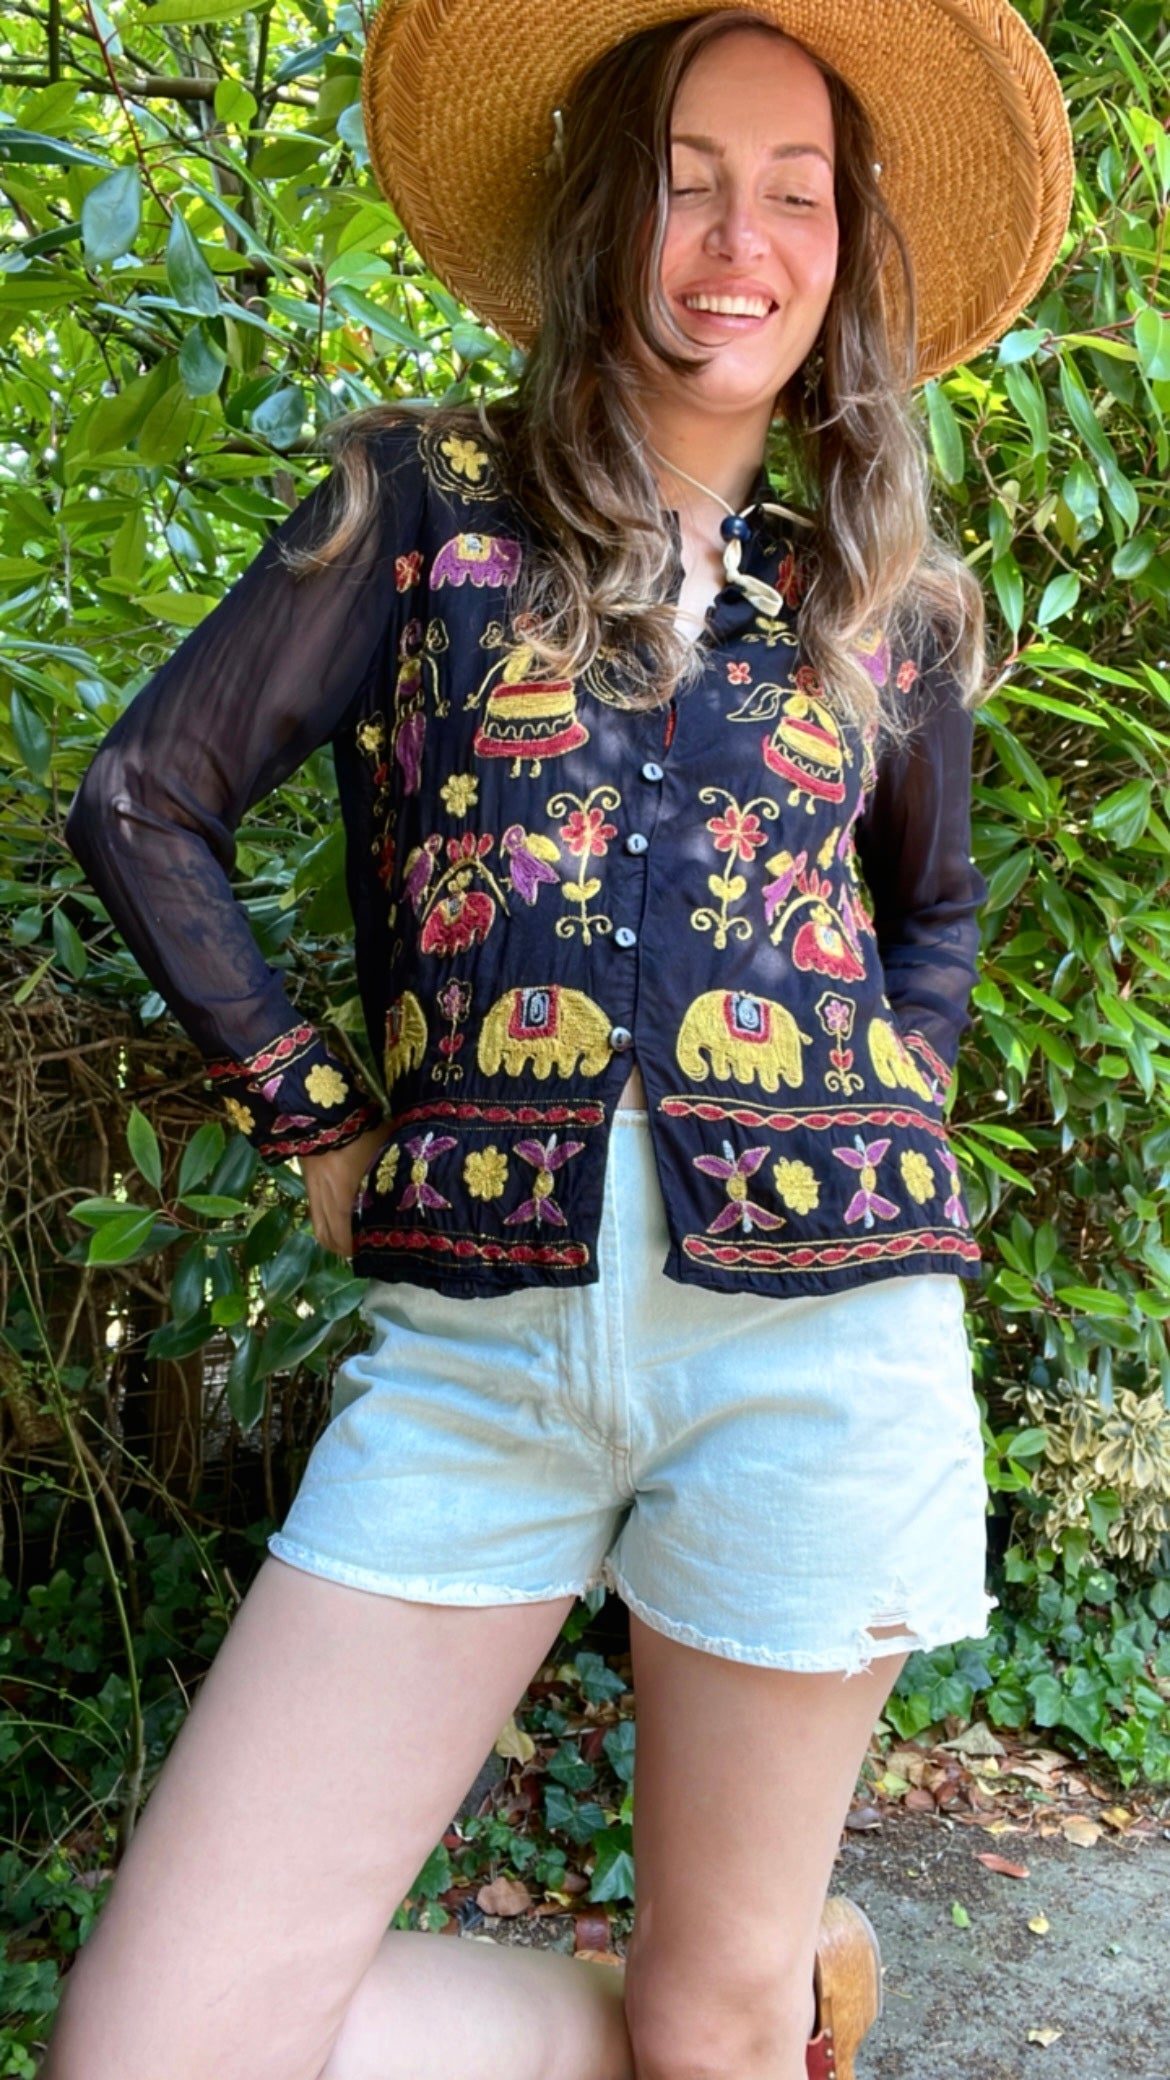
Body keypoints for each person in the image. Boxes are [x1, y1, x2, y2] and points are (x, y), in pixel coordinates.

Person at [42, 5, 1072, 2079]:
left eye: (797, 194)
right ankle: (738, 2007)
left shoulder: (884, 594)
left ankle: (737, 2009)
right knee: (159, 2044)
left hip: (822, 1356)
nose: (739, 241)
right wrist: (312, 1113)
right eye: (687, 181)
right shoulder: (418, 506)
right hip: (475, 1362)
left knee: (712, 2034)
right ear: (606, 213)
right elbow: (145, 796)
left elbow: (935, 910)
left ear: (848, 250)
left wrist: (890, 1104)